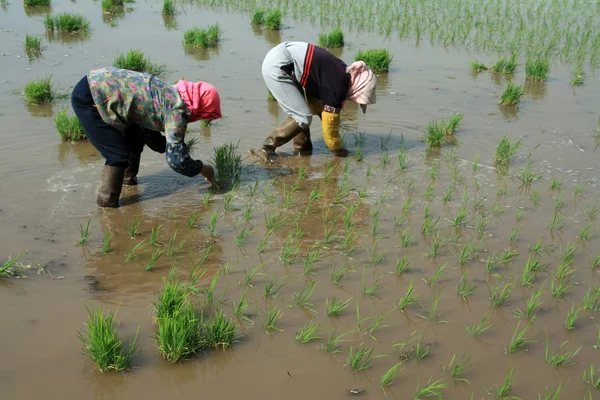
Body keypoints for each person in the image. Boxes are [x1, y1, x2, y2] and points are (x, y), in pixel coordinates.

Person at [71, 67, 221, 208]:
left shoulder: (168, 94)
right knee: (117, 155)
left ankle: (127, 181)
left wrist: (168, 147)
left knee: (134, 141)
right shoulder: (177, 111)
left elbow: (148, 134)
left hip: (96, 84)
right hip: (91, 99)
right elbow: (177, 162)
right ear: (202, 107)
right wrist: (202, 169)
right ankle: (107, 208)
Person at [255, 41, 377, 162]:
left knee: (301, 111)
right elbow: (330, 129)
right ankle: (265, 149)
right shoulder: (337, 87)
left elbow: (316, 104)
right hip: (279, 66)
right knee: (302, 117)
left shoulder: (342, 72)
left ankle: (303, 151)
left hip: (284, 58)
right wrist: (339, 150)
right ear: (358, 88)